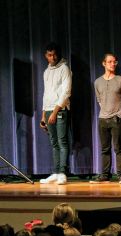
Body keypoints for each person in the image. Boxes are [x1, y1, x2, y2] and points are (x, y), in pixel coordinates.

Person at [90, 53, 121, 184]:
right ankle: (105, 175)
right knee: (105, 149)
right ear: (104, 63)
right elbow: (99, 100)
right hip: (103, 119)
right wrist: (106, 111)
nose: (113, 64)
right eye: (110, 62)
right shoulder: (97, 82)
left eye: (114, 62)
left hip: (116, 118)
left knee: (118, 148)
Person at [39, 42, 72, 185]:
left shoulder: (64, 68)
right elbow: (46, 94)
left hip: (60, 110)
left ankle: (63, 173)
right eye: (49, 55)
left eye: (54, 54)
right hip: (48, 110)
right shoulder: (46, 72)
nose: (52, 57)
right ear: (46, 55)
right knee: (54, 143)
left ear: (58, 54)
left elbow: (66, 92)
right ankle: (56, 171)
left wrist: (55, 111)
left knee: (62, 141)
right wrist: (43, 115)